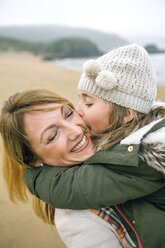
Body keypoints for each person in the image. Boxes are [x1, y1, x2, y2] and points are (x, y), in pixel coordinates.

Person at [0, 44, 165, 247]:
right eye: (52, 136)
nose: (76, 130)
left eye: (68, 114)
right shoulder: (77, 219)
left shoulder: (123, 140)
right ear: (33, 160)